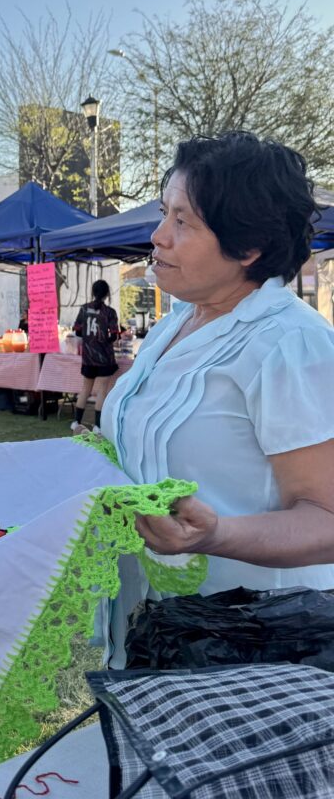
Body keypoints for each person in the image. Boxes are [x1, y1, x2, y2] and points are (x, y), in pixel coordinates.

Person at [98, 131, 334, 667]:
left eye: (183, 222)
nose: (157, 236)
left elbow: (328, 517)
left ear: (247, 247)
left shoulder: (288, 343)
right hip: (156, 629)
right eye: (164, 213)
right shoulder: (177, 321)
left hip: (255, 647)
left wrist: (217, 534)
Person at [71, 279, 120, 431]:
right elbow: (113, 336)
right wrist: (105, 339)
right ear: (107, 294)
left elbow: (77, 331)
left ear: (93, 292)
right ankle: (97, 426)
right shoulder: (110, 312)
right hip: (104, 357)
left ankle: (76, 422)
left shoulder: (84, 309)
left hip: (88, 356)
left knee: (85, 389)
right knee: (102, 391)